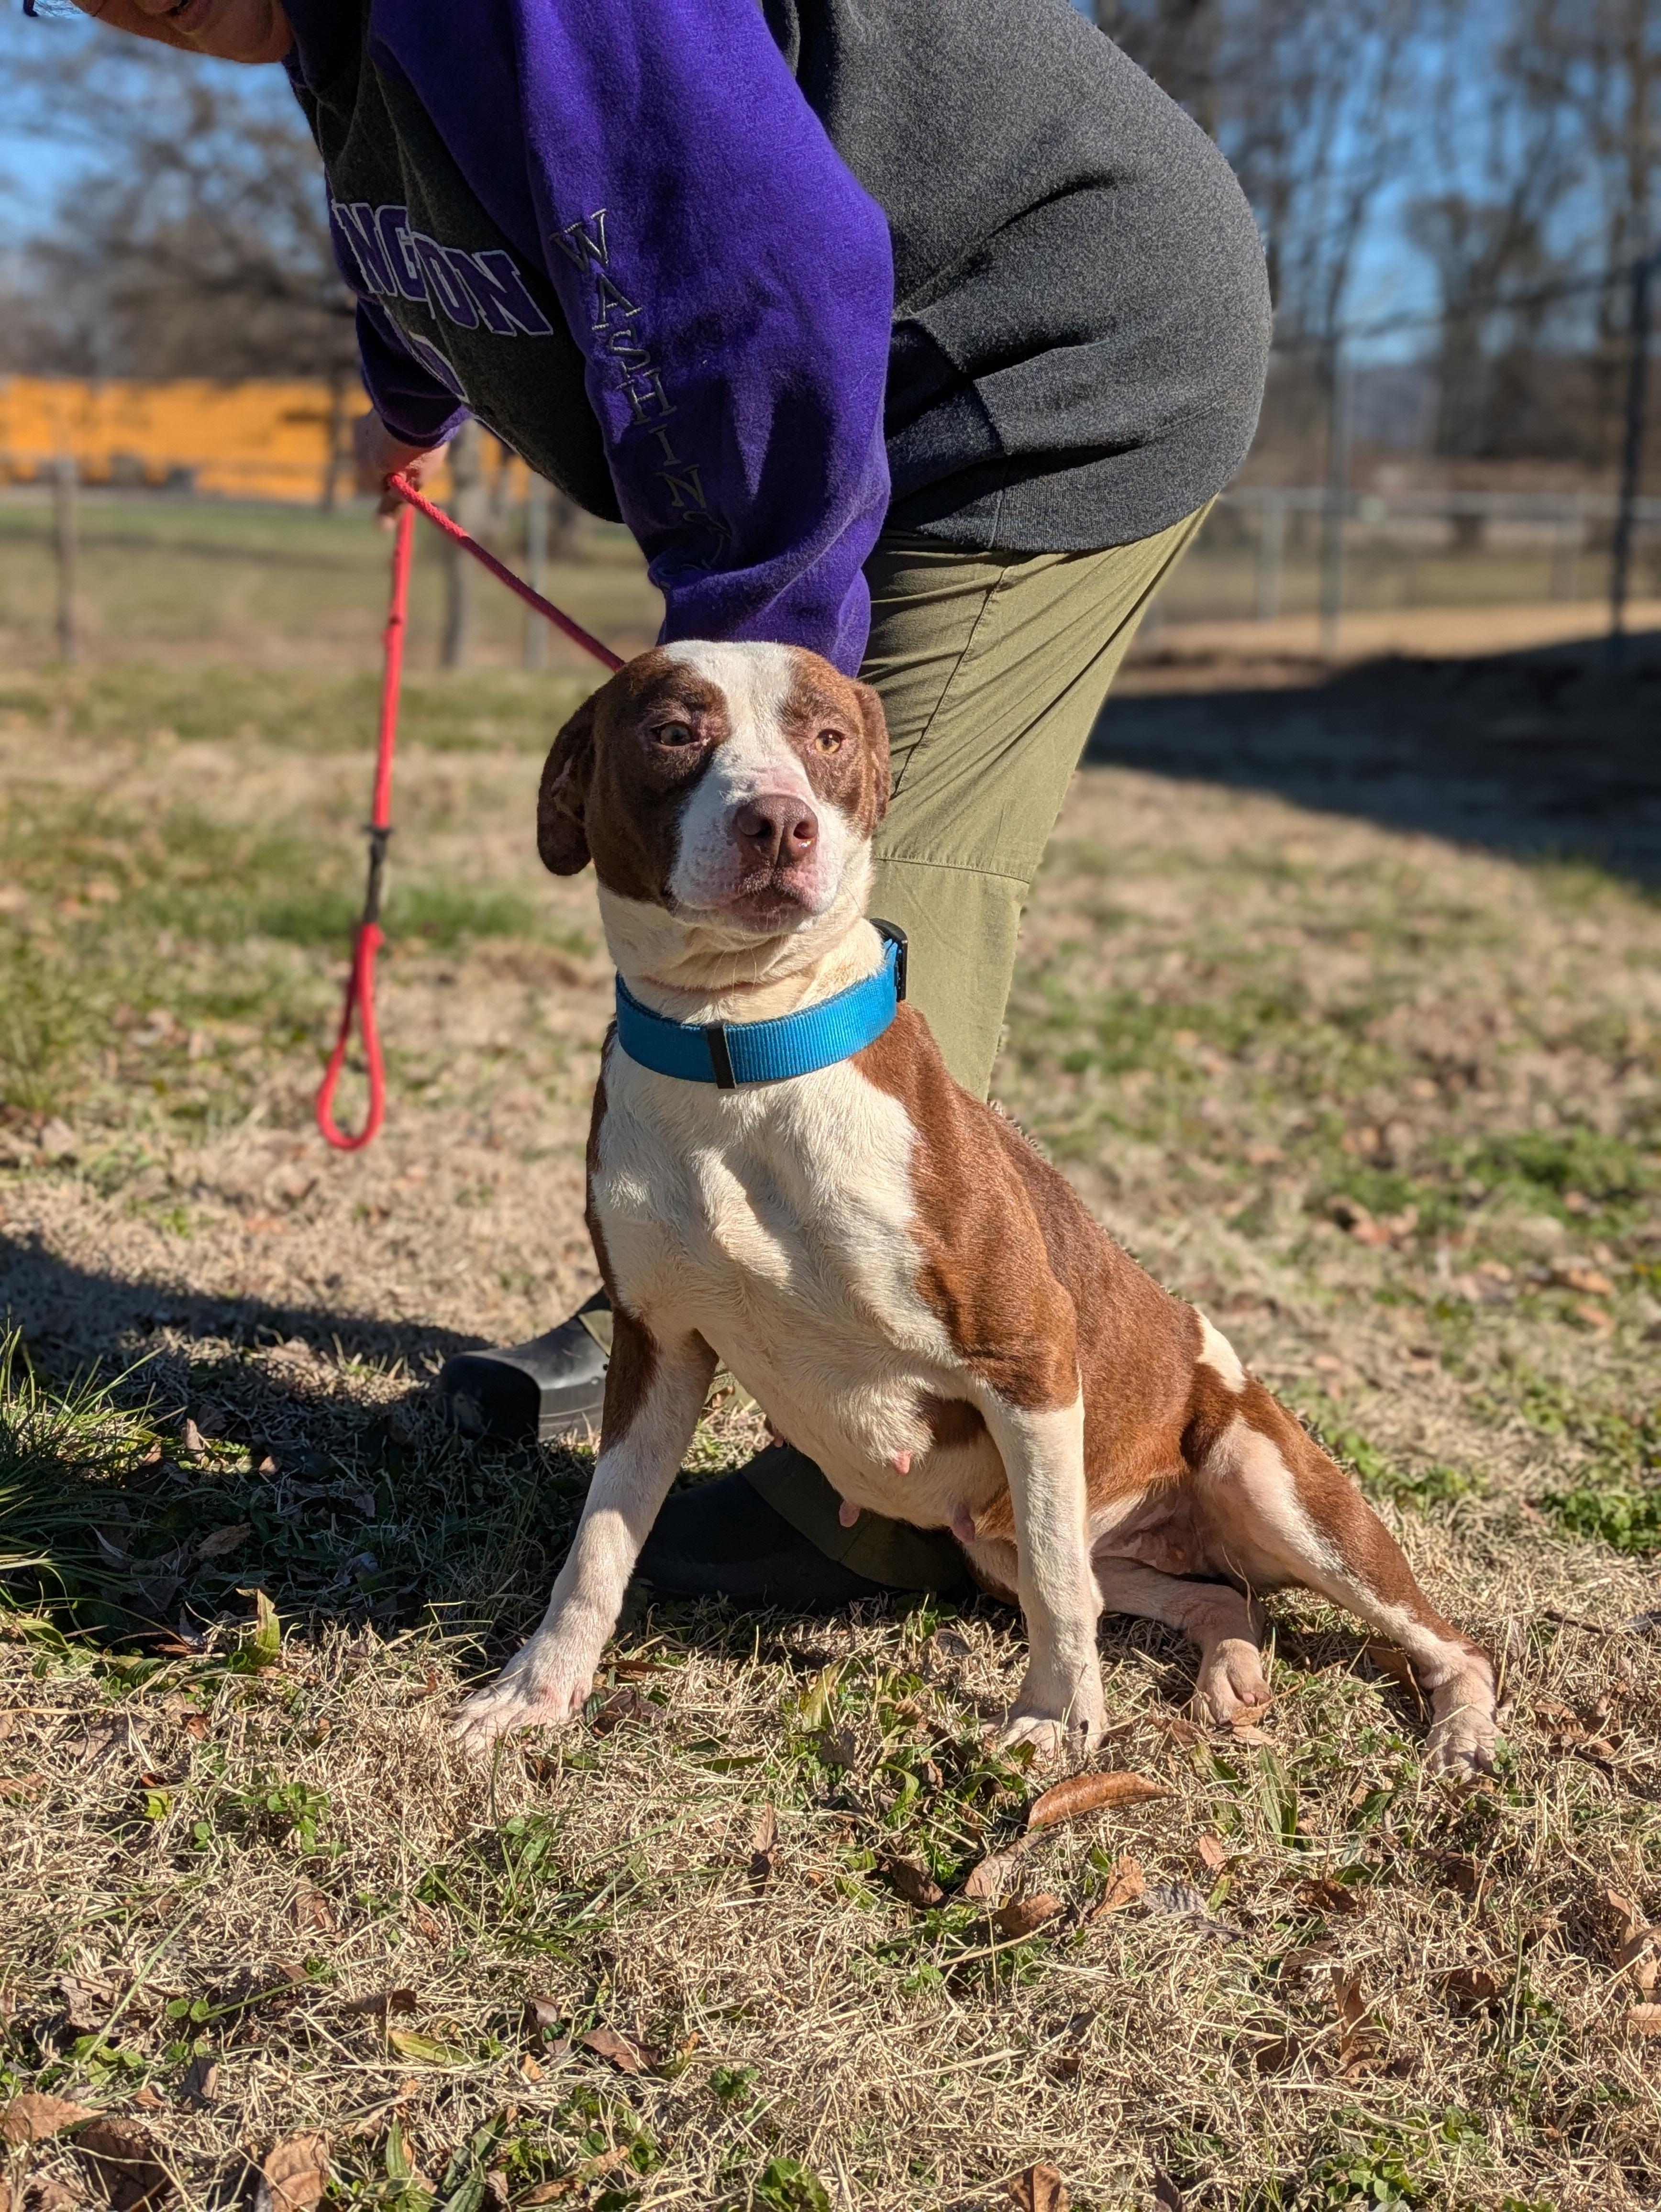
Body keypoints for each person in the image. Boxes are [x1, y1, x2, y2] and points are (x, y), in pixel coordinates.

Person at [74, 0, 1270, 1606]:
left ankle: (870, 1496)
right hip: (884, 377)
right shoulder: (330, 27)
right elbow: (425, 222)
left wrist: (760, 667)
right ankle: (690, 1293)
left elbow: (761, 273)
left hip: (1052, 349)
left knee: (848, 887)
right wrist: (411, 402)